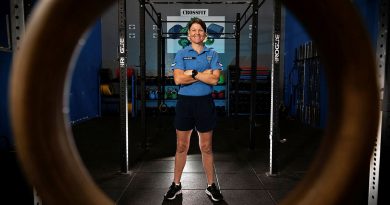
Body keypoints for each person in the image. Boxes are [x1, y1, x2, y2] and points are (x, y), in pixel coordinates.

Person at [164, 18, 224, 202]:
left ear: (205, 34)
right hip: (185, 104)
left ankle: (210, 185)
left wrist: (194, 73)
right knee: (182, 146)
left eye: (200, 30)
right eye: (193, 30)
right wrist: (204, 75)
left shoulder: (212, 54)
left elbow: (215, 80)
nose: (197, 33)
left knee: (206, 147)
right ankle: (176, 184)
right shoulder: (181, 54)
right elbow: (178, 80)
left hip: (205, 103)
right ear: (188, 34)